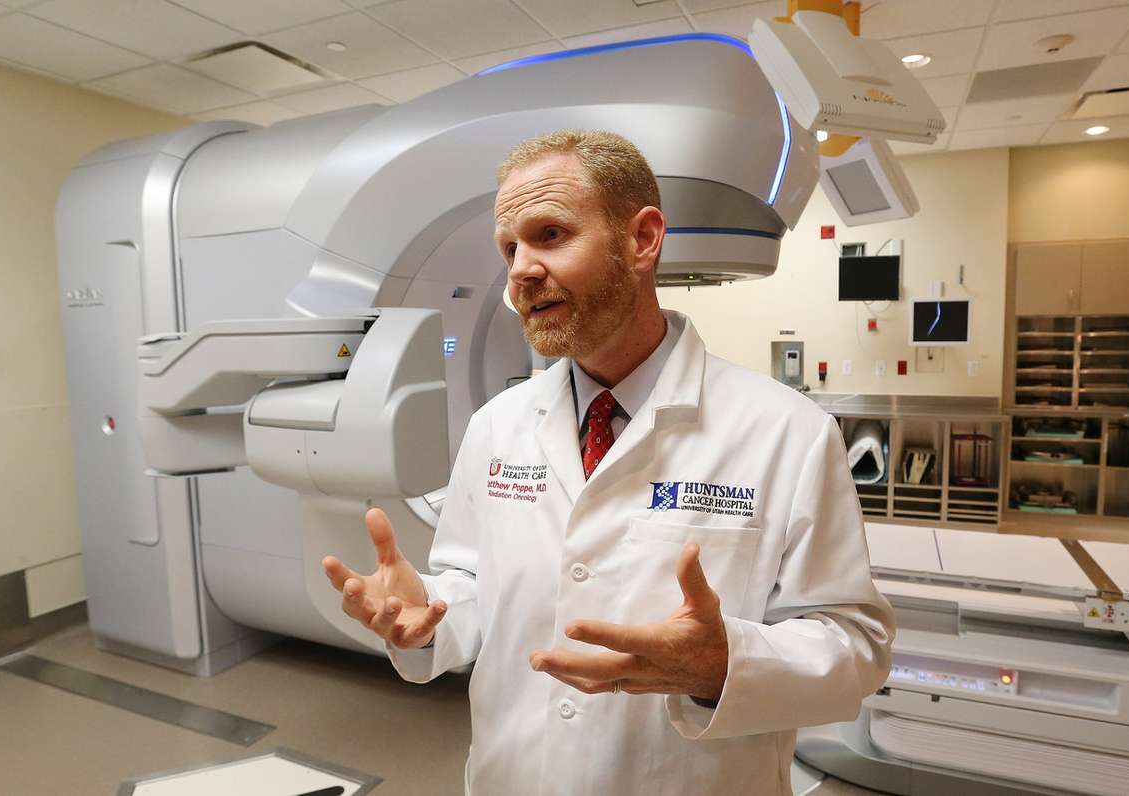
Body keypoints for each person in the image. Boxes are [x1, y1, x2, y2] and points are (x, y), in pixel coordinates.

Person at [323, 129, 895, 795]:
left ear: (642, 239)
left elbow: (855, 646)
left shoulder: (786, 433)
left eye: (550, 235)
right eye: (509, 247)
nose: (519, 270)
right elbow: (474, 587)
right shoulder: (496, 427)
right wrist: (429, 611)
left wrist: (723, 663)